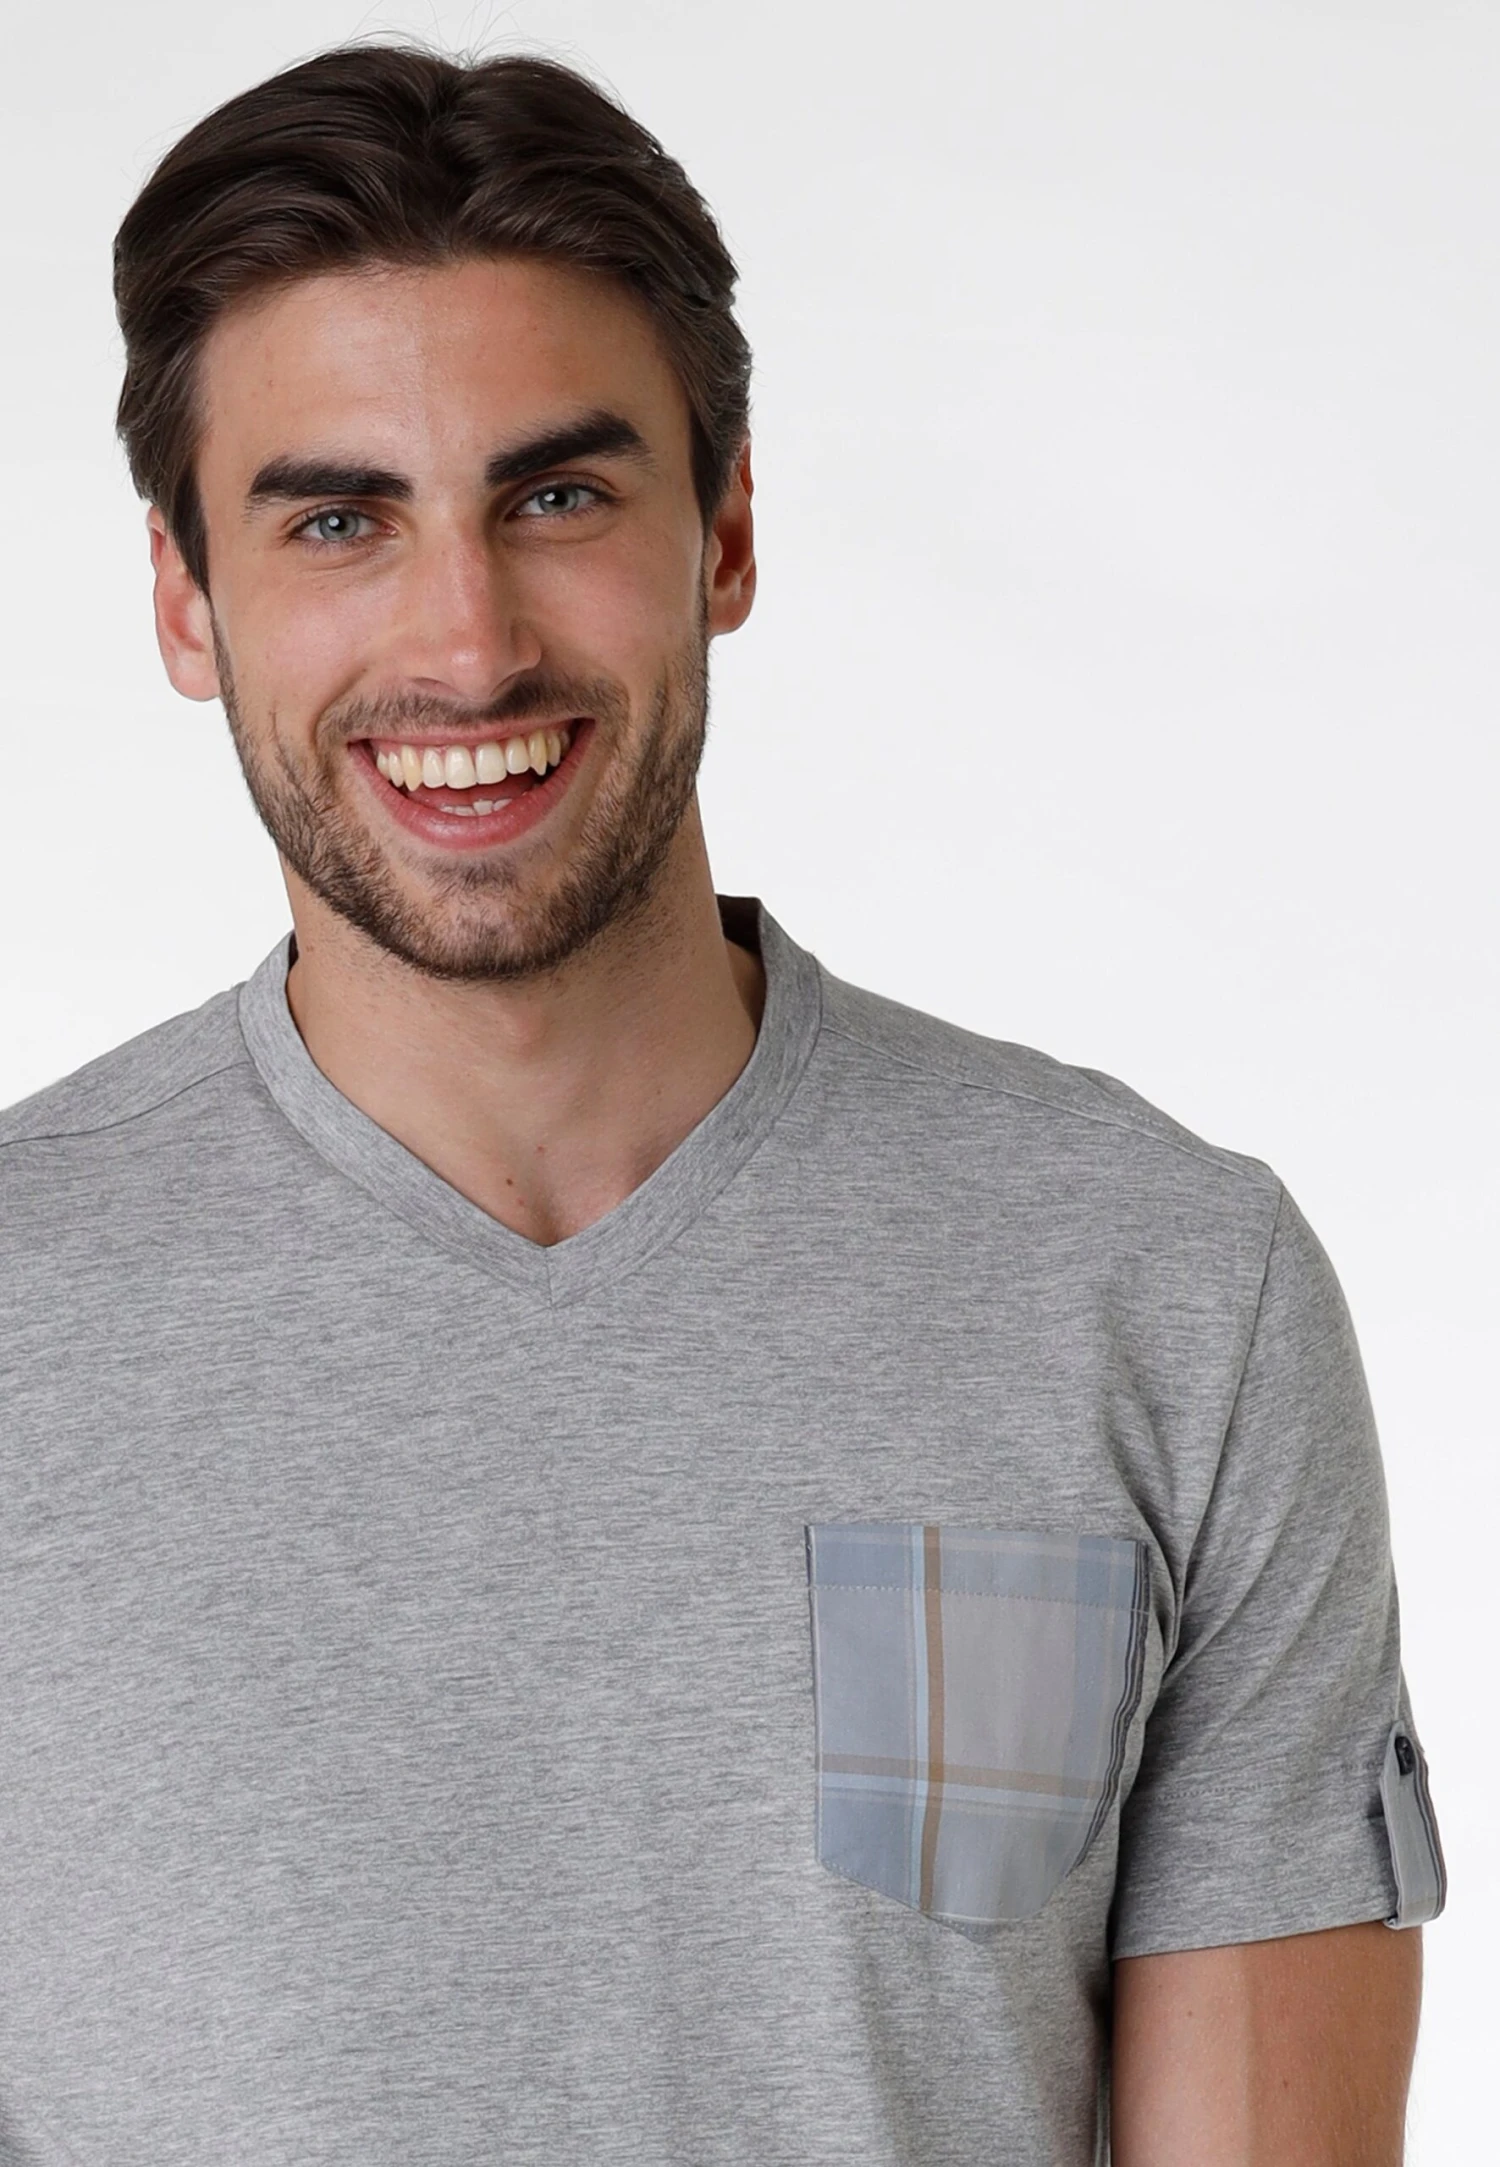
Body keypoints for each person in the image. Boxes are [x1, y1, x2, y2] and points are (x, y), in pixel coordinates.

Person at [0, 43, 1445, 2167]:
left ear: (729, 530)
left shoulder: (1159, 1292)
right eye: (339, 521)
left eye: (557, 497)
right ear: (183, 601)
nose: (467, 642)